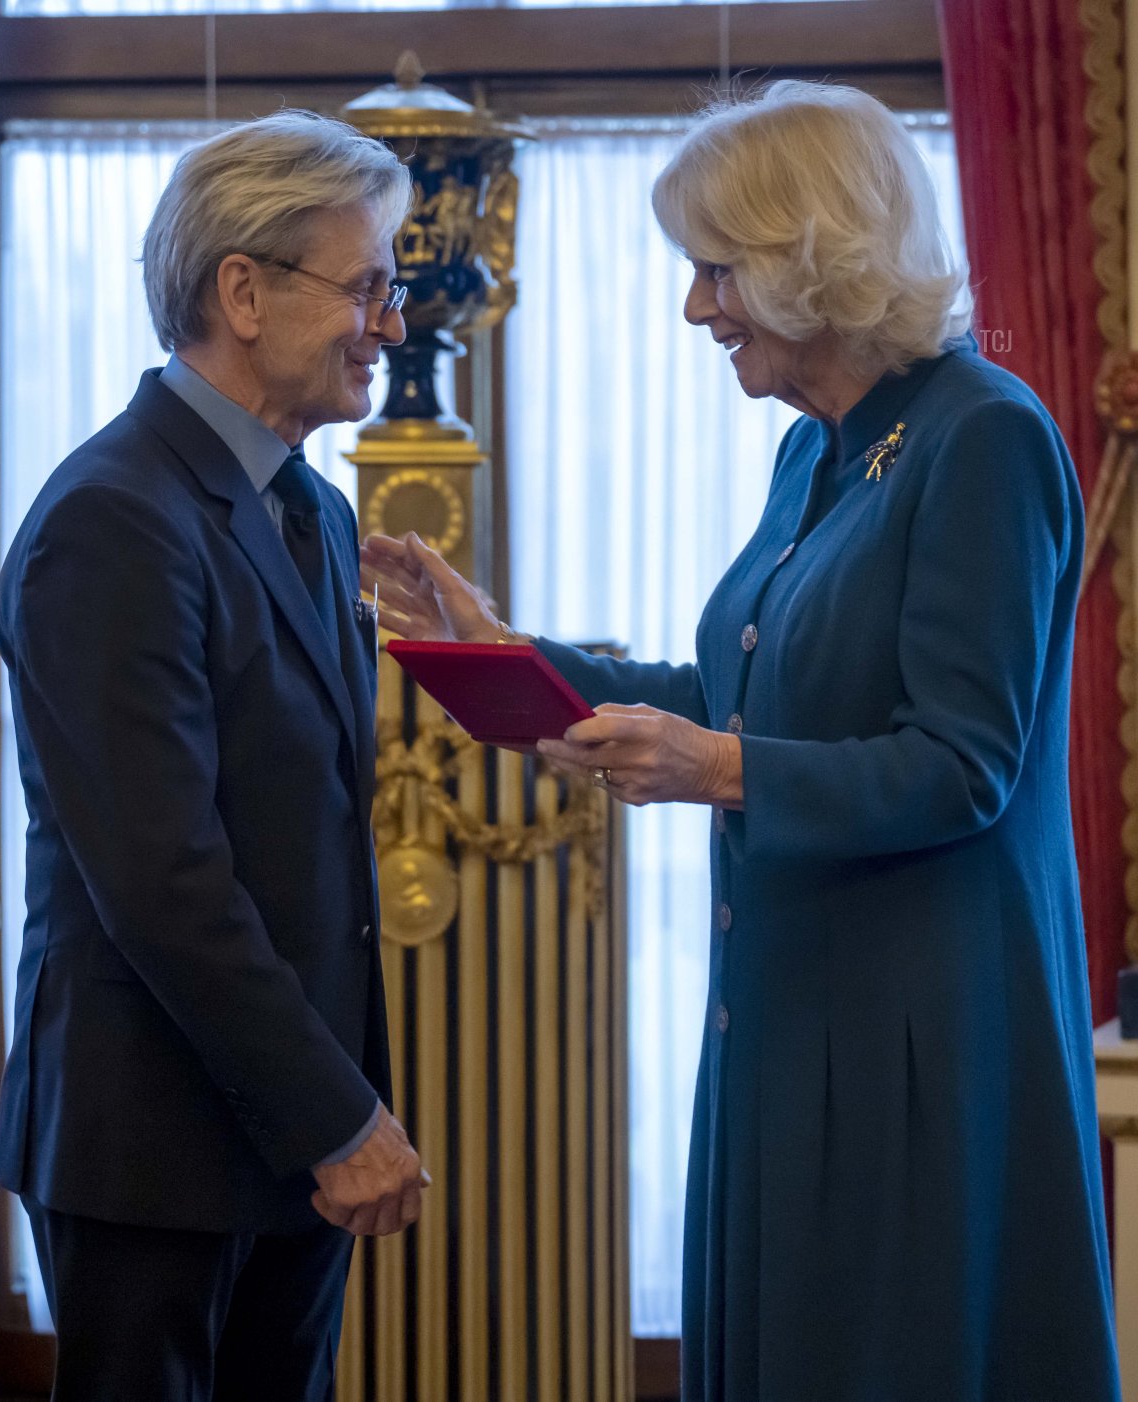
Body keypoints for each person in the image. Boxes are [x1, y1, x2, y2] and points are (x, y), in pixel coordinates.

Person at [361, 82, 1122, 1401]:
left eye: (718, 270)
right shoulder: (817, 453)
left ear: (810, 257)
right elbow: (732, 688)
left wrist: (717, 772)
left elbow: (964, 761)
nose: (698, 308)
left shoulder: (984, 437)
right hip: (781, 1016)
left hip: (917, 1043)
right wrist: (509, 650)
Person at [0, 111, 429, 1402]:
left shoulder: (312, 506)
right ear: (243, 290)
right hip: (154, 1154)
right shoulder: (110, 520)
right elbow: (164, 882)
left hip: (284, 1135)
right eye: (370, 287)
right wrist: (338, 1115)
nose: (391, 327)